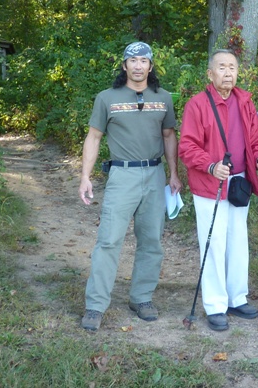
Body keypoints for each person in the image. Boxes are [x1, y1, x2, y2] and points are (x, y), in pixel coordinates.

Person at [78, 42, 181, 332]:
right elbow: (94, 137)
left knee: (152, 241)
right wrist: (85, 176)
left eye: (143, 61)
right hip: (122, 176)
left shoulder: (163, 98)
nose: (138, 66)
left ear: (151, 66)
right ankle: (95, 305)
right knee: (109, 240)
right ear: (124, 66)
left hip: (154, 173)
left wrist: (173, 174)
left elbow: (169, 135)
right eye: (132, 60)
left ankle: (142, 298)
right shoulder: (107, 98)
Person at [179, 49, 258, 331]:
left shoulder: (244, 101)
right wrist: (210, 166)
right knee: (214, 242)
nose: (228, 72)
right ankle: (216, 305)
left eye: (232, 67)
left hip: (240, 181)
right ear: (210, 74)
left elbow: (256, 139)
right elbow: (187, 147)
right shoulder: (197, 105)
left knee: (237, 240)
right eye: (222, 67)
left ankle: (237, 297)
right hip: (210, 183)